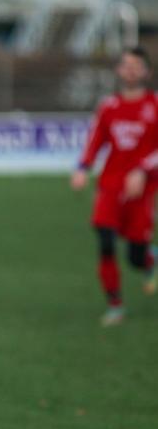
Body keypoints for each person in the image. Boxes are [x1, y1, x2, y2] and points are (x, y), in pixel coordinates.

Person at [71, 46, 158, 326]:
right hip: (110, 184)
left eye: (137, 65)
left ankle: (150, 260)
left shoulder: (155, 105)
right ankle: (115, 306)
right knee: (106, 241)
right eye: (126, 65)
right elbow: (96, 139)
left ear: (147, 72)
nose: (131, 69)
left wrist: (143, 170)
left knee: (134, 256)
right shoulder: (109, 106)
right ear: (119, 71)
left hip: (143, 189)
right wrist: (83, 168)